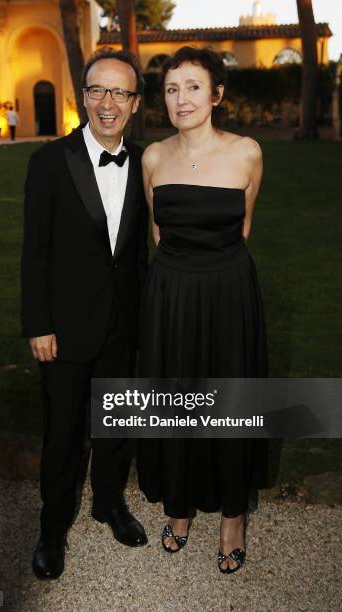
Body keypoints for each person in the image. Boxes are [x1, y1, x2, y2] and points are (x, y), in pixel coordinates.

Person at [137, 46, 268, 574]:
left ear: (217, 94)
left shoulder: (247, 152)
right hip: (170, 291)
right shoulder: (152, 157)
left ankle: (232, 516)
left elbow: (243, 226)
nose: (181, 98)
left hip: (228, 291)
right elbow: (158, 231)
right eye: (172, 89)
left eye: (193, 86)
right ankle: (179, 504)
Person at [21, 46, 149, 581]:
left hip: (125, 323)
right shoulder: (50, 161)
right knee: (64, 434)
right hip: (65, 328)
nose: (107, 102)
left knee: (116, 426)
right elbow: (36, 250)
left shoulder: (147, 163)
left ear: (136, 103)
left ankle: (109, 503)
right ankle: (53, 527)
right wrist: (38, 324)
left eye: (120, 91)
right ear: (83, 97)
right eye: (97, 90)